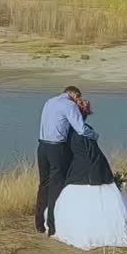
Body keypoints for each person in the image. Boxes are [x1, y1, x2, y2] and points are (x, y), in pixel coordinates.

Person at [53, 97, 127, 250]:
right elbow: (92, 155)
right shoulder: (85, 130)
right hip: (92, 170)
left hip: (80, 172)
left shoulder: (72, 131)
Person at [35, 86, 90, 237]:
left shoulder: (49, 101)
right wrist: (94, 135)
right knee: (56, 185)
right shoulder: (69, 105)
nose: (78, 100)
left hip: (42, 147)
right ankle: (52, 226)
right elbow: (80, 128)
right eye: (78, 97)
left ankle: (39, 223)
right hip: (56, 148)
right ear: (73, 94)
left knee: (43, 184)